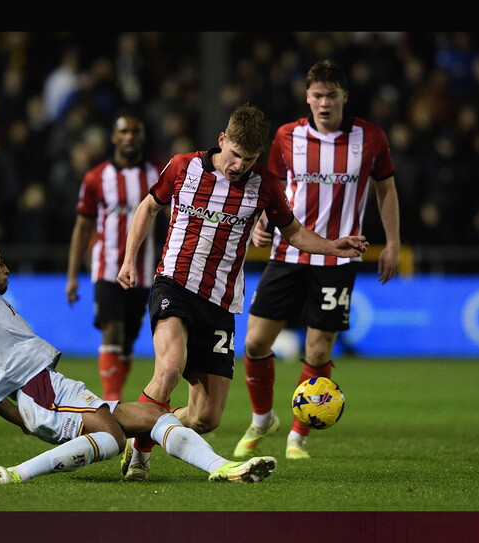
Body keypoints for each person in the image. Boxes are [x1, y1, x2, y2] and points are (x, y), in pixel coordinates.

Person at [0, 203, 278, 484]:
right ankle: (19, 474)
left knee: (151, 418)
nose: (7, 267)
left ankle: (222, 467)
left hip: (47, 391)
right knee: (112, 438)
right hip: (40, 390)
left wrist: (24, 422)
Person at [116, 104, 369, 481]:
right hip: (175, 284)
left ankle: (137, 426)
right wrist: (129, 260)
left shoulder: (266, 186)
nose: (238, 165)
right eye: (234, 154)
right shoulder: (184, 167)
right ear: (222, 141)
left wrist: (334, 246)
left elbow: (295, 232)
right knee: (169, 368)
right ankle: (140, 456)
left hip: (219, 303)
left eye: (248, 159)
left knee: (205, 418)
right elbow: (148, 208)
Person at [233, 60, 400, 461]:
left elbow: (386, 191)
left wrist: (393, 241)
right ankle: (262, 418)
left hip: (338, 260)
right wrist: (258, 221)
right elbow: (268, 186)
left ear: (344, 96)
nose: (324, 103)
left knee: (319, 350)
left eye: (331, 95)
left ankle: (298, 436)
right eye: (317, 95)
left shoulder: (370, 138)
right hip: (288, 252)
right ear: (307, 97)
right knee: (255, 341)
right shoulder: (288, 137)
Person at [65, 113, 161, 401]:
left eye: (135, 131)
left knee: (128, 339)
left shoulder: (156, 176)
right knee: (112, 330)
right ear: (114, 138)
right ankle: (112, 399)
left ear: (141, 137)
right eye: (124, 132)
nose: (129, 137)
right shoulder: (97, 178)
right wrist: (71, 275)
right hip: (106, 268)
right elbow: (82, 227)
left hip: (142, 270)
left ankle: (114, 395)